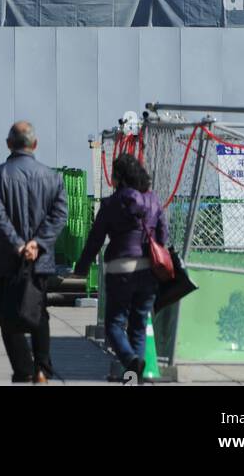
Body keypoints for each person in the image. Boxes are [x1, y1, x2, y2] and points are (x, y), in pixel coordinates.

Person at [0, 121, 68, 384]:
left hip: (7, 260)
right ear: (35, 144)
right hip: (39, 260)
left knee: (9, 317)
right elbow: (60, 214)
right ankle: (42, 369)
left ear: (9, 144)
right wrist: (38, 243)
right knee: (39, 312)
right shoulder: (53, 177)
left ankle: (23, 370)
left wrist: (18, 244)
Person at [74, 154, 169, 384]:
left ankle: (130, 361)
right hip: (148, 269)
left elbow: (95, 239)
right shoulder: (153, 200)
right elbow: (163, 234)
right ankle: (133, 377)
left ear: (119, 178)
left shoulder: (110, 204)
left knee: (114, 325)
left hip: (120, 269)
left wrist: (82, 267)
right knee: (138, 324)